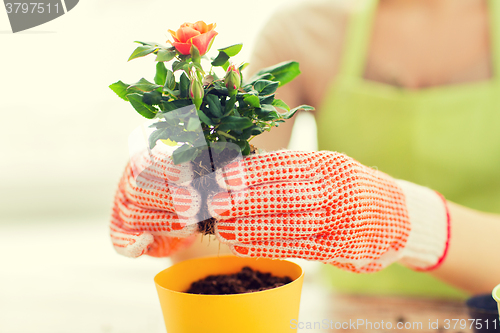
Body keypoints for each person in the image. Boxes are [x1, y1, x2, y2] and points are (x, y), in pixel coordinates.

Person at [110, 0, 500, 298]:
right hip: (353, 315)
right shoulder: (304, 34)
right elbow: (228, 238)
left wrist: (406, 219)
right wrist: (176, 206)